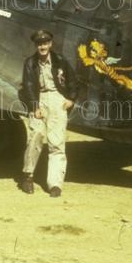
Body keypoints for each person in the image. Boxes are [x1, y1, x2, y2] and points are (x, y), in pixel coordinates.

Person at [19, 29, 77, 197]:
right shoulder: (30, 63)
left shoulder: (60, 61)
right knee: (35, 136)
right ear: (36, 45)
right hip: (40, 99)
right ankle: (28, 177)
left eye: (45, 43)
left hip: (58, 100)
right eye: (39, 44)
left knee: (57, 143)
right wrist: (34, 106)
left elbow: (73, 81)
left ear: (50, 44)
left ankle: (55, 185)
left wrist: (71, 99)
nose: (42, 46)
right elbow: (29, 85)